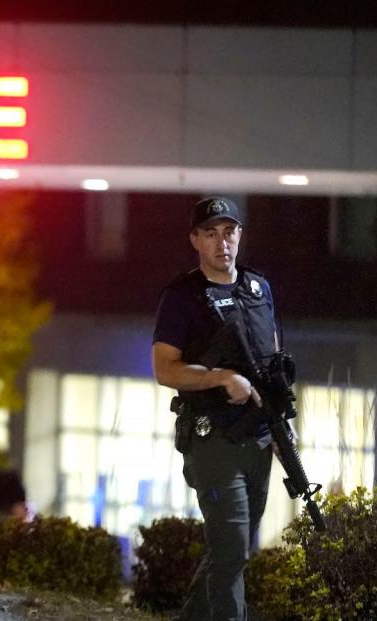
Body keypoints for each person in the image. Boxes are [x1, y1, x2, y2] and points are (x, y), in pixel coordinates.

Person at [151, 197, 280, 621]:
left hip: (258, 437)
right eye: (210, 233)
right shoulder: (182, 296)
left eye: (229, 232)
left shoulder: (259, 289)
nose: (222, 243)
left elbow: (272, 362)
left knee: (235, 550)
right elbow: (165, 369)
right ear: (195, 240)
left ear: (240, 235)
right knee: (229, 552)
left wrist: (281, 424)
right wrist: (219, 377)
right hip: (212, 440)